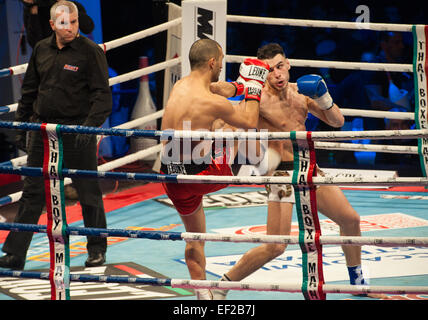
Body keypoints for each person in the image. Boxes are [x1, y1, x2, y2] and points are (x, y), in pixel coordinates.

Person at [210, 43, 385, 300]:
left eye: (280, 66)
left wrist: (324, 97)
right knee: (275, 246)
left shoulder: (302, 92)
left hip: (309, 166)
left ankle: (358, 283)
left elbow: (337, 122)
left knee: (351, 220)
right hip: (280, 173)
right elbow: (222, 124)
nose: (277, 74)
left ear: (288, 64)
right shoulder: (256, 98)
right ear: (263, 73)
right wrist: (237, 95)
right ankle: (221, 286)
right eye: (269, 70)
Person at [0, 1, 112, 270]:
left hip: (76, 131)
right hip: (43, 131)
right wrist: (21, 126)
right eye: (65, 23)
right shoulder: (41, 49)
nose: (71, 27)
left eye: (74, 22)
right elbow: (29, 92)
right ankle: (15, 254)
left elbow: (102, 95)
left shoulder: (90, 52)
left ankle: (97, 250)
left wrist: (89, 126)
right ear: (52, 24)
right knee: (32, 194)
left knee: (88, 192)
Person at [159, 38, 269, 300]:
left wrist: (236, 86)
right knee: (233, 128)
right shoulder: (210, 102)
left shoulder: (180, 86)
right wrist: (253, 85)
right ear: (212, 62)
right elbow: (250, 121)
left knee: (195, 237)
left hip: (169, 175)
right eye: (221, 60)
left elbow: (216, 89)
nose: (222, 65)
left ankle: (202, 294)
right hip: (201, 177)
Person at [21, 0, 94, 48]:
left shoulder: (73, 6)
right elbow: (35, 43)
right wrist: (33, 10)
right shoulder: (33, 11)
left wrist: (64, 4)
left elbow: (88, 28)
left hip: (74, 54)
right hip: (49, 58)